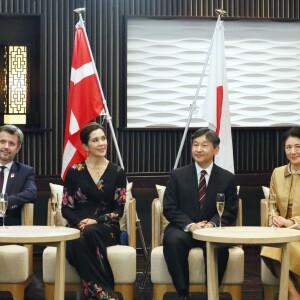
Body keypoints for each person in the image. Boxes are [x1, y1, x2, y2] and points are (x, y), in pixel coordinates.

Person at [163, 127, 239, 300]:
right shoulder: (178, 175)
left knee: (218, 248)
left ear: (216, 149)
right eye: (195, 145)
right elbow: (169, 207)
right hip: (184, 228)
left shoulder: (227, 178)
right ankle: (183, 294)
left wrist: (212, 225)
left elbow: (230, 210)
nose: (198, 149)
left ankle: (211, 293)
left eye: (204, 145)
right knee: (173, 241)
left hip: (213, 229)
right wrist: (191, 226)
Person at [62, 122, 126, 300]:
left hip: (106, 227)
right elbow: (66, 208)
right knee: (78, 240)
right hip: (78, 227)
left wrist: (96, 221)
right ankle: (107, 295)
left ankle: (100, 294)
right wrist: (79, 223)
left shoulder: (118, 172)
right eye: (95, 140)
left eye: (103, 138)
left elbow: (118, 210)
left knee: (85, 236)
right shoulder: (74, 172)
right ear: (85, 146)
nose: (102, 143)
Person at [261, 126, 300, 300]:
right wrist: (274, 218)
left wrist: (291, 223)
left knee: (277, 246)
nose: (293, 151)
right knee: (273, 244)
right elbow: (272, 204)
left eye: (298, 147)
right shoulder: (277, 173)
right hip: (282, 232)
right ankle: (292, 293)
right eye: (288, 147)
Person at [0, 124, 37, 225]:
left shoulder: (25, 171)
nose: (6, 147)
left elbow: (31, 193)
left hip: (11, 227)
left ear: (17, 148)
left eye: (11, 143)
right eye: (2, 142)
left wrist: (4, 202)